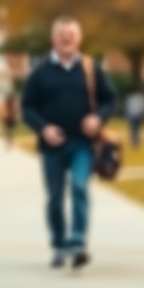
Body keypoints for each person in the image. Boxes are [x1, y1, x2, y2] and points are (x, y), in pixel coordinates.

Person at [21, 17, 116, 270]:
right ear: (54, 39)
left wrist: (98, 117)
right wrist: (43, 128)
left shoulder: (90, 68)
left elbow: (110, 99)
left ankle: (78, 242)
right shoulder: (40, 72)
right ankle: (59, 245)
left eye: (71, 35)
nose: (67, 39)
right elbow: (27, 108)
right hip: (51, 148)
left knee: (78, 187)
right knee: (54, 197)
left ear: (79, 38)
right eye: (62, 35)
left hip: (82, 144)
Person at [125, 85, 144, 149]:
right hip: (132, 116)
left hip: (139, 115)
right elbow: (127, 107)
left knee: (138, 130)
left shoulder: (141, 98)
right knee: (133, 130)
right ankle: (134, 143)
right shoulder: (130, 98)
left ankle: (137, 143)